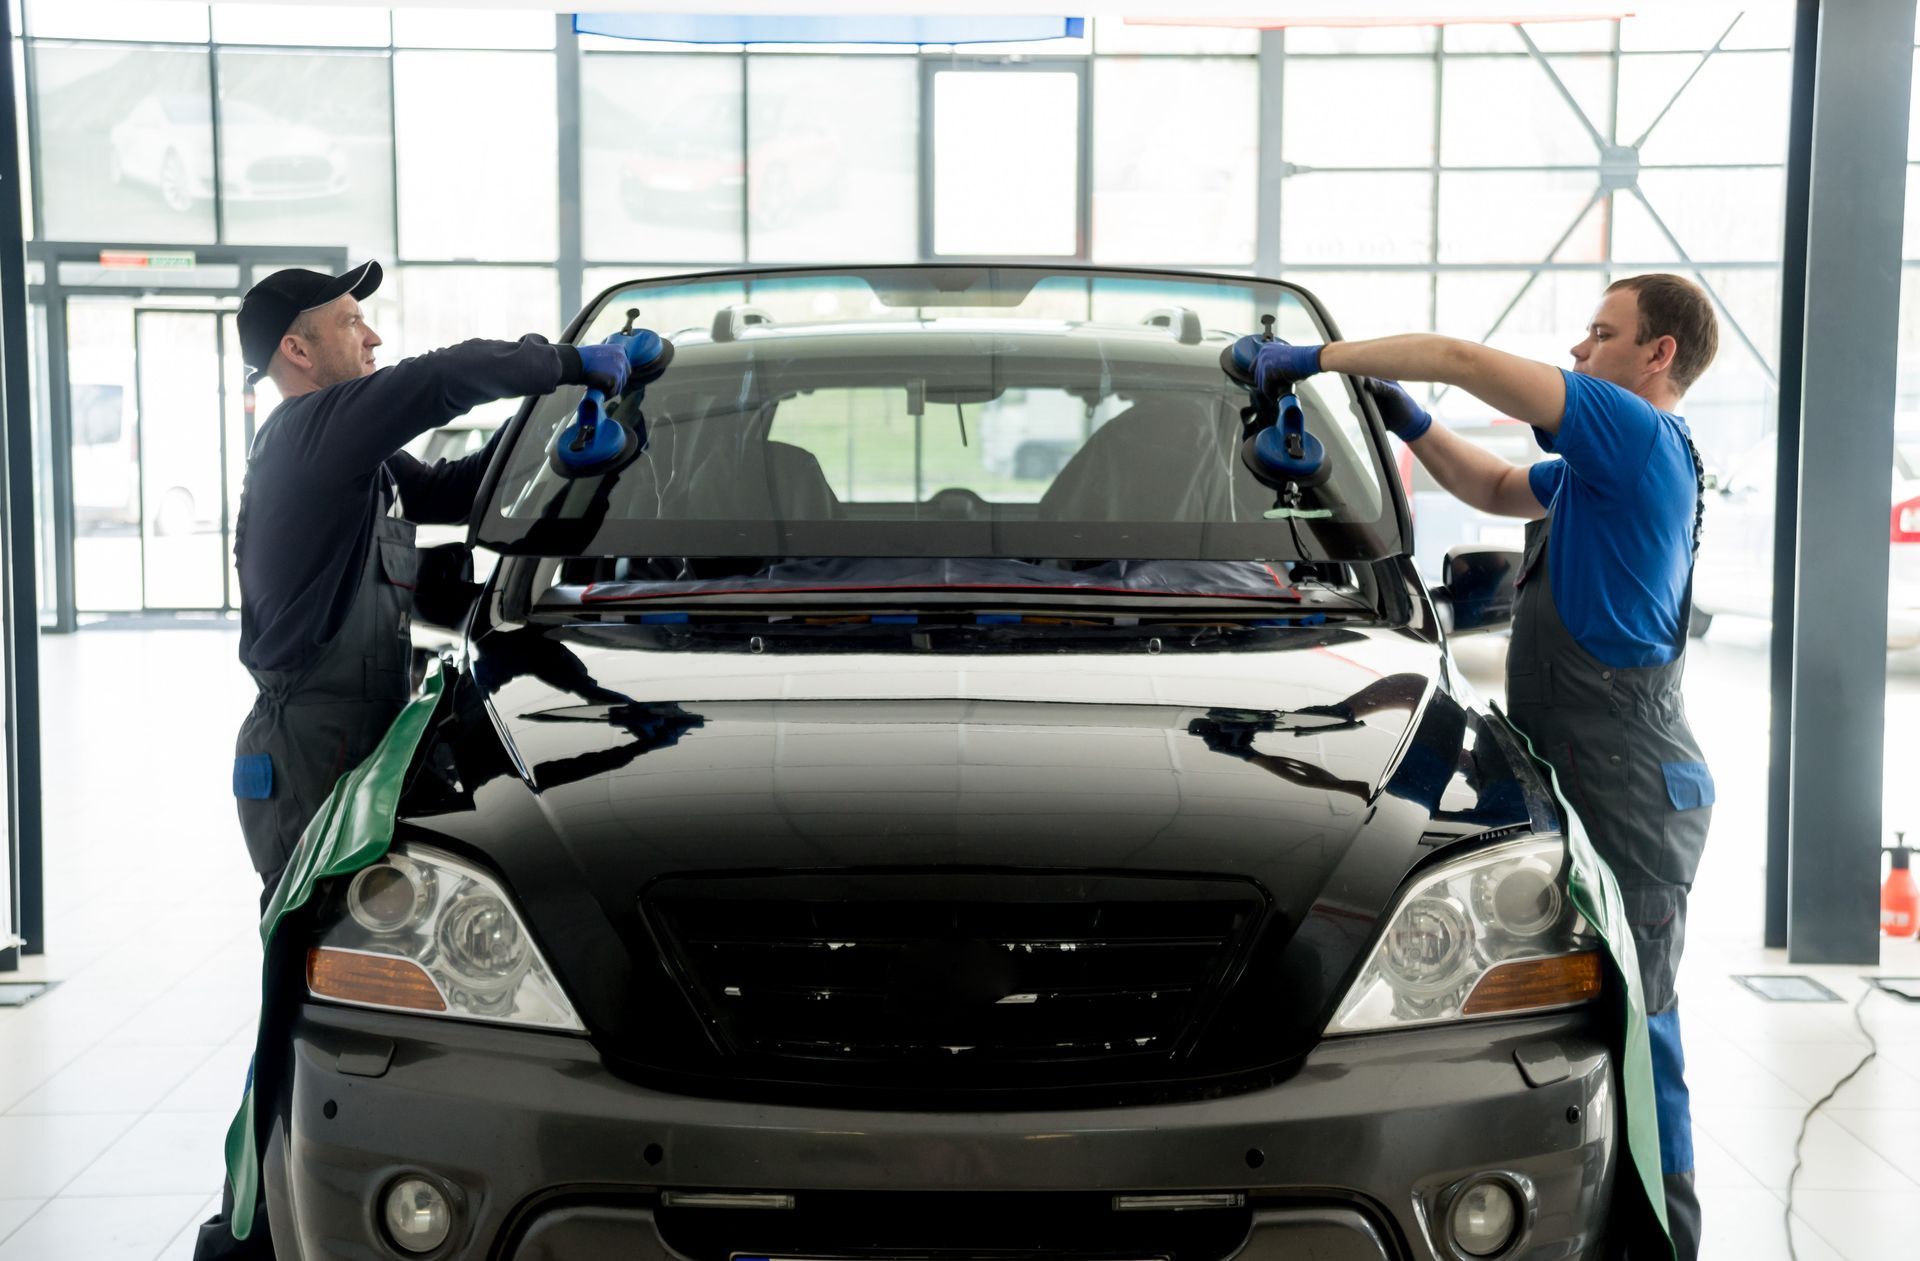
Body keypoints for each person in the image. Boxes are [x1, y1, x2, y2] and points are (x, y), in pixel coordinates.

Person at [1253, 273, 1717, 1260]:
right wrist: (1409, 423)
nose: (1582, 350)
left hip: (1631, 774)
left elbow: (1468, 361)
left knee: (1643, 1017)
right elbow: (1496, 487)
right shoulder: (1601, 471)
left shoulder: (1635, 432)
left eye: (1602, 333)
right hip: (1600, 759)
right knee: (1602, 1003)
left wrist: (1319, 361)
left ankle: (1668, 1242)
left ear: (1658, 355)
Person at [197, 260, 628, 1259]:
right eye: (353, 322)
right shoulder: (310, 433)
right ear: (297, 352)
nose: (372, 338)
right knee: (308, 990)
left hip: (351, 742)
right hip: (305, 752)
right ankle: (253, 1229)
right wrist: (568, 365)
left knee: (339, 974)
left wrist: (558, 456)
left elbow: (455, 489)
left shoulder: (362, 466)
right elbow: (444, 377)